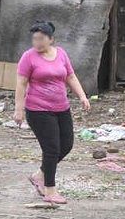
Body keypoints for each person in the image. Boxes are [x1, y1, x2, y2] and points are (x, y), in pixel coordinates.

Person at [14, 21, 90, 204]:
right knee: (51, 149)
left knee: (67, 145)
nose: (37, 42)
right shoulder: (28, 57)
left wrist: (82, 96)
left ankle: (39, 175)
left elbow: (70, 76)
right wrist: (19, 109)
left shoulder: (61, 53)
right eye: (34, 39)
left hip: (61, 107)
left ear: (51, 39)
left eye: (41, 39)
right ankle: (50, 191)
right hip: (38, 109)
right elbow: (21, 83)